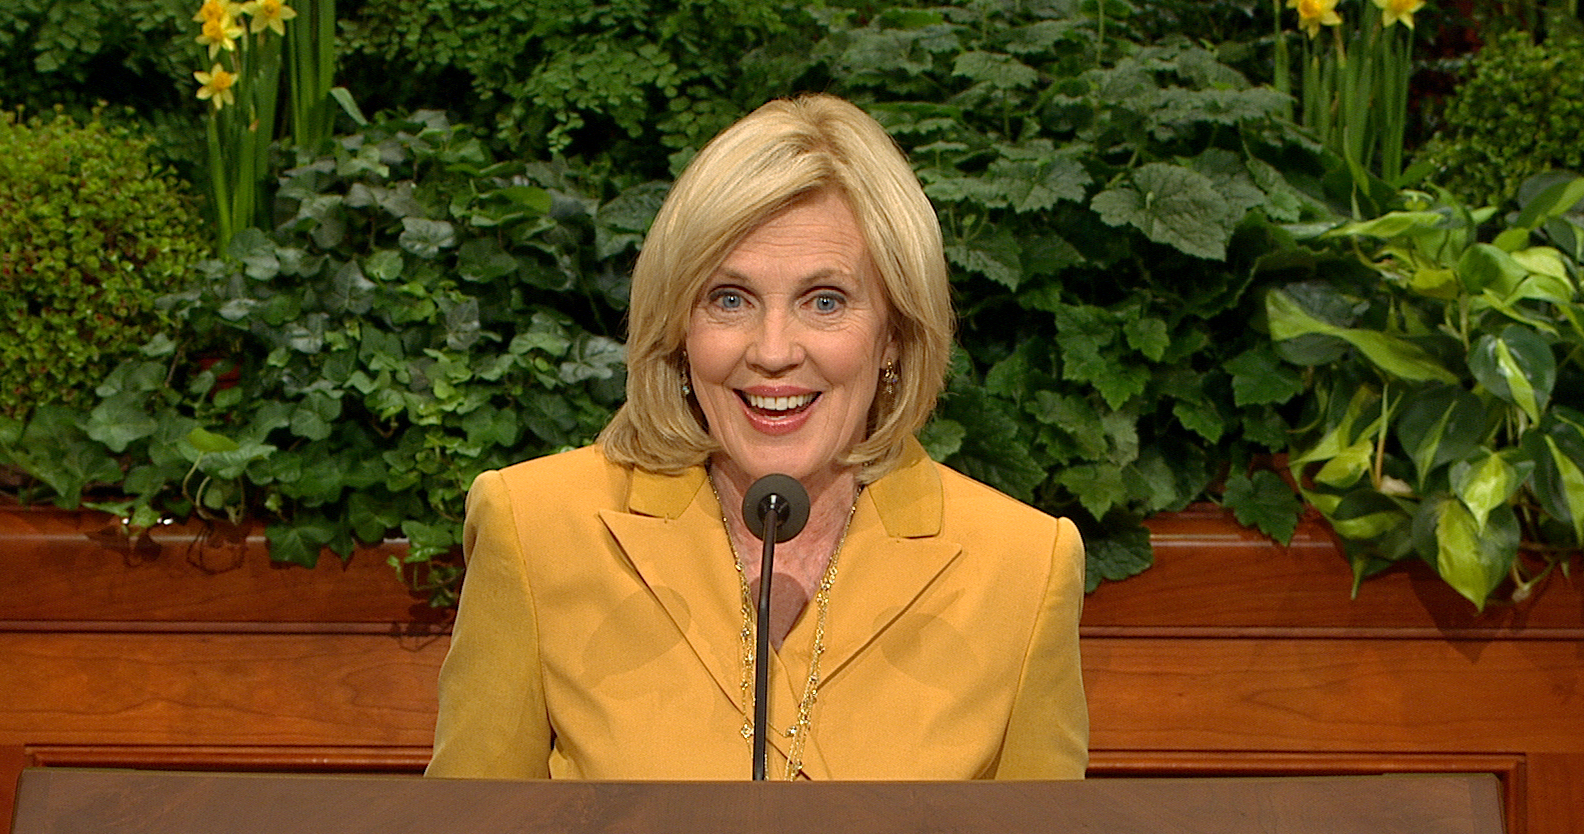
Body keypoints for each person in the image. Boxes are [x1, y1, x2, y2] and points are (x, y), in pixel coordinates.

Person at [426, 94, 1089, 780]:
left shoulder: (1023, 565)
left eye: (825, 300)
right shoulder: (535, 527)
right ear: (679, 327)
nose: (773, 351)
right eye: (730, 299)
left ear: (894, 333)